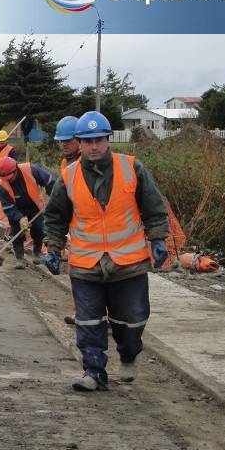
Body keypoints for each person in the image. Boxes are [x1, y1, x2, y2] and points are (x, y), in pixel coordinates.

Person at [43, 111, 169, 392]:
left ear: (108, 139)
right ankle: (93, 371)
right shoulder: (69, 176)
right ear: (79, 143)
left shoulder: (132, 168)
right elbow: (55, 217)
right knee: (88, 321)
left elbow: (154, 208)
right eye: (87, 141)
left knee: (133, 318)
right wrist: (53, 248)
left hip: (129, 263)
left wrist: (158, 239)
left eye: (99, 139)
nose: (93, 146)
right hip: (87, 264)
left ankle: (128, 354)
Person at [0, 157, 55, 269]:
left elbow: (50, 181)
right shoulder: (2, 186)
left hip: (34, 205)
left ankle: (37, 254)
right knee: (17, 231)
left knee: (39, 228)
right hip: (16, 208)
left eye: (10, 177)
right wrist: (20, 218)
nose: (9, 180)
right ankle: (19, 258)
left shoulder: (31, 169)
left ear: (16, 169)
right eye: (6, 178)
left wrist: (54, 197)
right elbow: (8, 207)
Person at [55, 115, 81, 325]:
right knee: (76, 272)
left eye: (67, 140)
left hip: (96, 230)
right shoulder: (66, 163)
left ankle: (104, 316)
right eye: (61, 141)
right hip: (77, 229)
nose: (63, 144)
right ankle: (80, 313)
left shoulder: (87, 162)